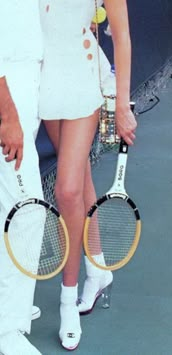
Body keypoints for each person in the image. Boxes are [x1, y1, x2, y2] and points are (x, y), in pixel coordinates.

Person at [39, 0, 137, 350]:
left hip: (84, 76)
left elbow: (122, 36)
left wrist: (122, 105)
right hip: (46, 80)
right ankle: (99, 271)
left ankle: (67, 301)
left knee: (67, 191)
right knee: (80, 183)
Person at [0, 1, 44, 354]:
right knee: (28, 213)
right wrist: (8, 116)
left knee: (9, 211)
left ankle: (12, 309)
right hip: (7, 94)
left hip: (25, 86)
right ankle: (6, 331)